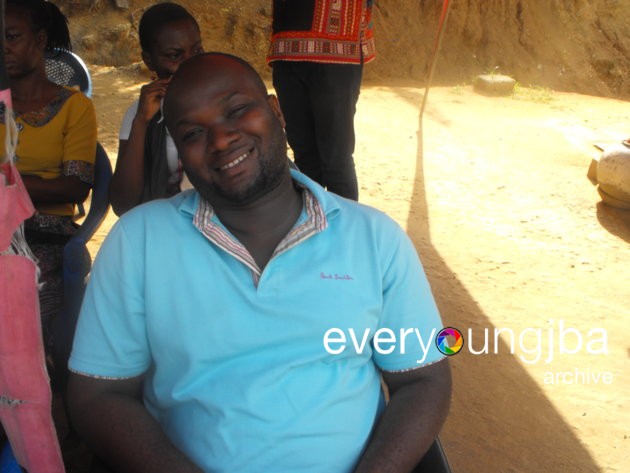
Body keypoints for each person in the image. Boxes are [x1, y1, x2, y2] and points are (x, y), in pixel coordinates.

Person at [67, 53, 451, 473]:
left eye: (236, 110)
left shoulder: (374, 239)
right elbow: (98, 395)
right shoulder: (138, 242)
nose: (220, 140)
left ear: (275, 109)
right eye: (193, 132)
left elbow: (423, 378)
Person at [0, 0, 97, 352]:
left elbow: (75, 186)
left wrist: (8, 185)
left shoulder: (75, 108)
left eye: (11, 37)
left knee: (18, 302)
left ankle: (37, 396)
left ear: (40, 40)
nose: (3, 48)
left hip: (44, 236)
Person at [267, 0, 376, 201]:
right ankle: (311, 226)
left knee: (336, 159)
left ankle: (344, 229)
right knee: (304, 156)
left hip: (338, 45)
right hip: (287, 46)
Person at [109, 2, 203, 216]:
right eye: (174, 55)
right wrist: (141, 121)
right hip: (165, 229)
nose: (190, 63)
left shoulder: (224, 101)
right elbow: (123, 204)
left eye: (197, 50)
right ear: (149, 61)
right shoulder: (140, 114)